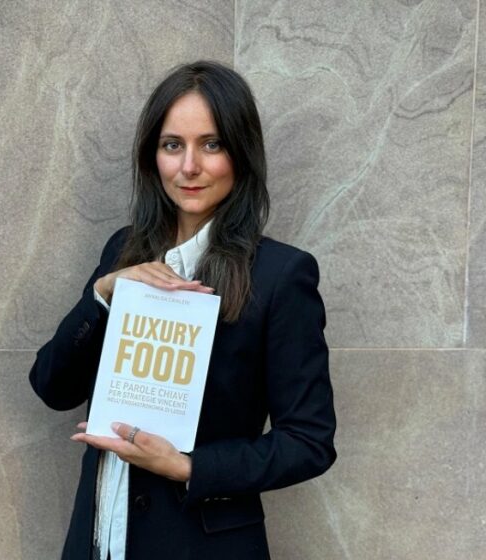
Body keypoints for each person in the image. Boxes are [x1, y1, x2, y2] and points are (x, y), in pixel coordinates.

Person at [29, 60, 336, 560]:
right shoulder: (122, 251)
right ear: (153, 157)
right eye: (173, 145)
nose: (189, 166)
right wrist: (102, 293)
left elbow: (309, 441)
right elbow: (52, 387)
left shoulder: (280, 276)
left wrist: (190, 467)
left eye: (211, 144)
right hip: (98, 543)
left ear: (241, 154)